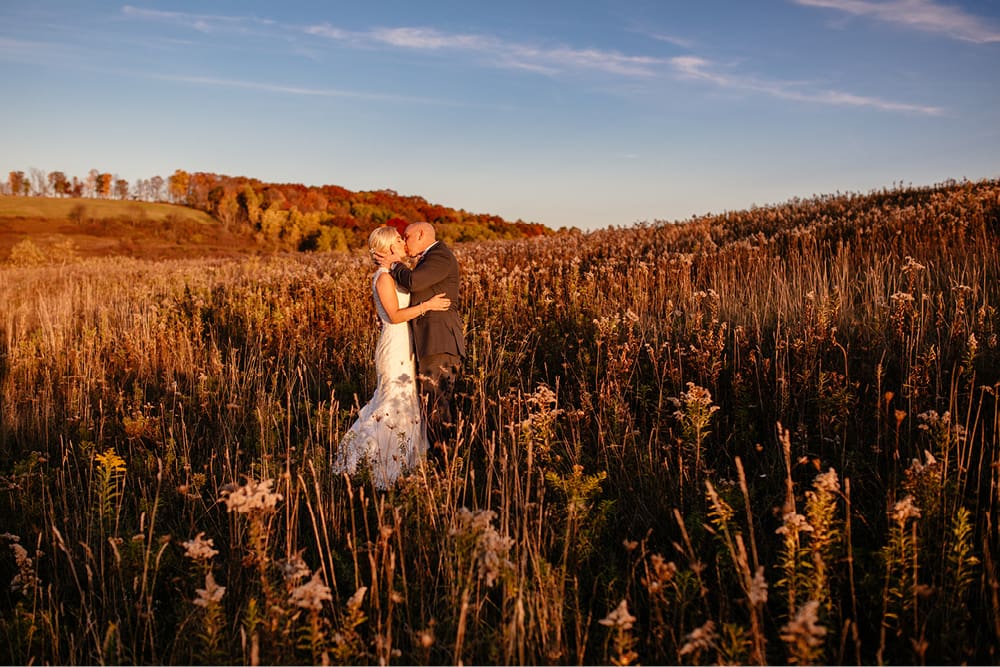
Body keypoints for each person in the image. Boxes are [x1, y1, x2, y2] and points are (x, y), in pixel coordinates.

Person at [334, 226, 451, 488]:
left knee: (407, 403)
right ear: (389, 248)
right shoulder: (384, 278)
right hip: (394, 345)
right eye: (399, 240)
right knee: (391, 403)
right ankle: (368, 465)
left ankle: (401, 466)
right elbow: (395, 315)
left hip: (406, 344)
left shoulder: (396, 275)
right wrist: (427, 306)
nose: (403, 244)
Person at [376, 222, 465, 464]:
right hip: (423, 344)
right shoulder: (426, 259)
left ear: (422, 234)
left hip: (438, 343)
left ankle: (445, 463)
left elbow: (413, 283)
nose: (404, 242)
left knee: (437, 406)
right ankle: (437, 460)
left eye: (407, 237)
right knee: (432, 405)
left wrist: (393, 263)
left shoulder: (439, 256)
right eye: (400, 239)